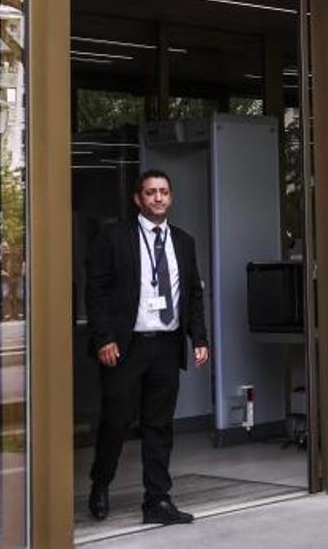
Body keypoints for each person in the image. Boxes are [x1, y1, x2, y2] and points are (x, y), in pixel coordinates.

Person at [85, 170, 209, 526]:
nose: (158, 198)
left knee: (159, 425)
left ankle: (157, 500)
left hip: (167, 346)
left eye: (164, 192)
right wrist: (103, 338)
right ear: (138, 199)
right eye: (151, 192)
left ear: (170, 198)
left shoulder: (184, 242)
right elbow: (96, 292)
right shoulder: (114, 237)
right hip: (125, 346)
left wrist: (198, 338)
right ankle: (100, 484)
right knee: (116, 421)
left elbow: (194, 294)